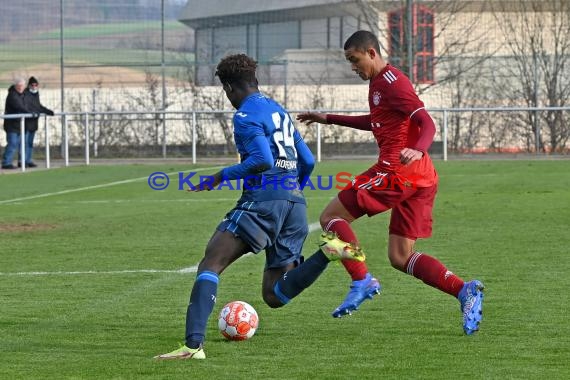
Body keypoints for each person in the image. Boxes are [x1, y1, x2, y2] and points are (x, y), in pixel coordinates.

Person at [154, 54, 364, 360]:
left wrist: (220, 176)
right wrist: (291, 193)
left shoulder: (244, 116)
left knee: (211, 262)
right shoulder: (277, 110)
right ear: (255, 81)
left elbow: (262, 160)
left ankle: (192, 346)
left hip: (262, 202)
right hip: (294, 205)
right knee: (275, 294)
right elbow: (307, 161)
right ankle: (330, 251)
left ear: (228, 88)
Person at [297, 30, 484, 335]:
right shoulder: (378, 84)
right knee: (400, 256)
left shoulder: (393, 83)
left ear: (371, 52)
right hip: (420, 177)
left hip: (398, 172)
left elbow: (427, 121)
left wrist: (418, 147)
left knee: (330, 218)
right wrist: (327, 118)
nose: (352, 66)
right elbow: (374, 120)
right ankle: (465, 291)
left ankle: (361, 279)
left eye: (354, 60)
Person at [2, 78, 35, 170]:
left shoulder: (24, 94)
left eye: (22, 86)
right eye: (19, 86)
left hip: (21, 123)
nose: (20, 87)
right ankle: (6, 163)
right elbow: (19, 106)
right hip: (12, 124)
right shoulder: (12, 95)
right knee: (12, 143)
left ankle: (22, 162)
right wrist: (31, 111)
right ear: (15, 86)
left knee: (22, 144)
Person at [23, 76, 54, 168]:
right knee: (24, 143)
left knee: (30, 143)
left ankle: (28, 160)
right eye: (32, 85)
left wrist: (48, 111)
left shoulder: (36, 94)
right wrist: (36, 111)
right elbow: (28, 107)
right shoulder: (25, 94)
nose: (34, 87)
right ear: (29, 85)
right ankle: (23, 161)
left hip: (33, 123)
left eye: (36, 85)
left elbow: (38, 106)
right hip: (25, 123)